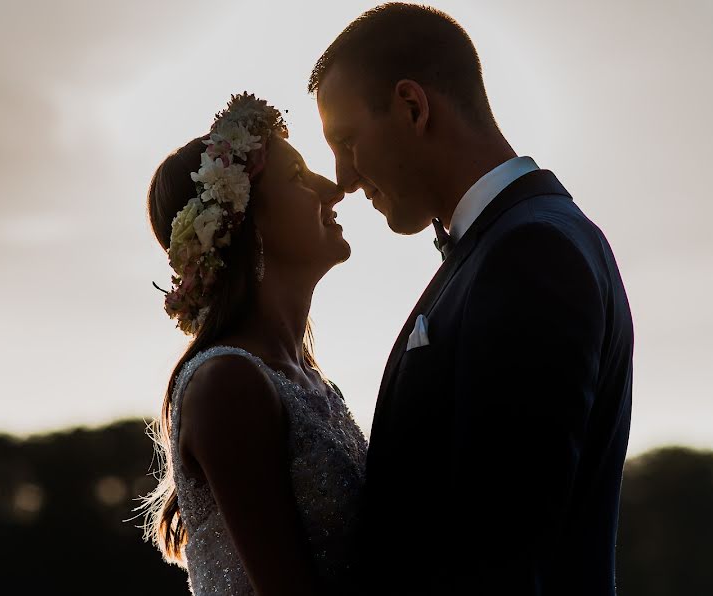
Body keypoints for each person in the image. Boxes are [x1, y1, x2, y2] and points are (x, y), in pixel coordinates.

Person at [309, 4, 634, 594]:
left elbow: (501, 554)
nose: (344, 178)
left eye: (347, 141)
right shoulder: (511, 242)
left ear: (413, 106)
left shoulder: (533, 252)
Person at [137, 93, 367, 595]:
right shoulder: (228, 384)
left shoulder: (308, 380)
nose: (333, 189)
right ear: (247, 223)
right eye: (299, 178)